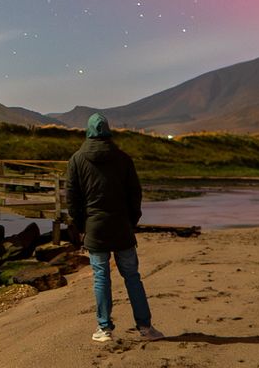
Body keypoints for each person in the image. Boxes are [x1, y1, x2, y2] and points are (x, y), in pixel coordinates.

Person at [66, 112, 164, 343]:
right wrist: (131, 222)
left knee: (101, 277)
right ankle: (145, 327)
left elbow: (72, 200)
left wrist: (82, 226)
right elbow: (135, 195)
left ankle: (104, 328)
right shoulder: (123, 159)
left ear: (88, 132)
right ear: (108, 131)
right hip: (121, 227)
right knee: (132, 276)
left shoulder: (77, 160)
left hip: (95, 228)